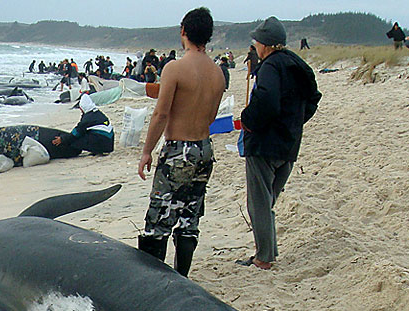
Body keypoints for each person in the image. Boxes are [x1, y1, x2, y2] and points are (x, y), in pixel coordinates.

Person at [136, 7, 225, 277]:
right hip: (204, 148)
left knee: (158, 219)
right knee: (189, 217)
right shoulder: (218, 74)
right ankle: (182, 277)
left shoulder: (175, 68)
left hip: (178, 148)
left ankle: (153, 280)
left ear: (183, 31)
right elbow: (211, 117)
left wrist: (147, 151)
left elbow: (161, 113)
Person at [238, 16, 321, 270]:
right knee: (267, 201)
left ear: (265, 44)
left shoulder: (271, 66)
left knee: (259, 203)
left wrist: (247, 120)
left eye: (257, 42)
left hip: (265, 145)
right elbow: (313, 98)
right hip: (288, 144)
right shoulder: (297, 64)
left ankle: (263, 258)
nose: (255, 46)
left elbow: (268, 101)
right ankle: (268, 252)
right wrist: (294, 123)